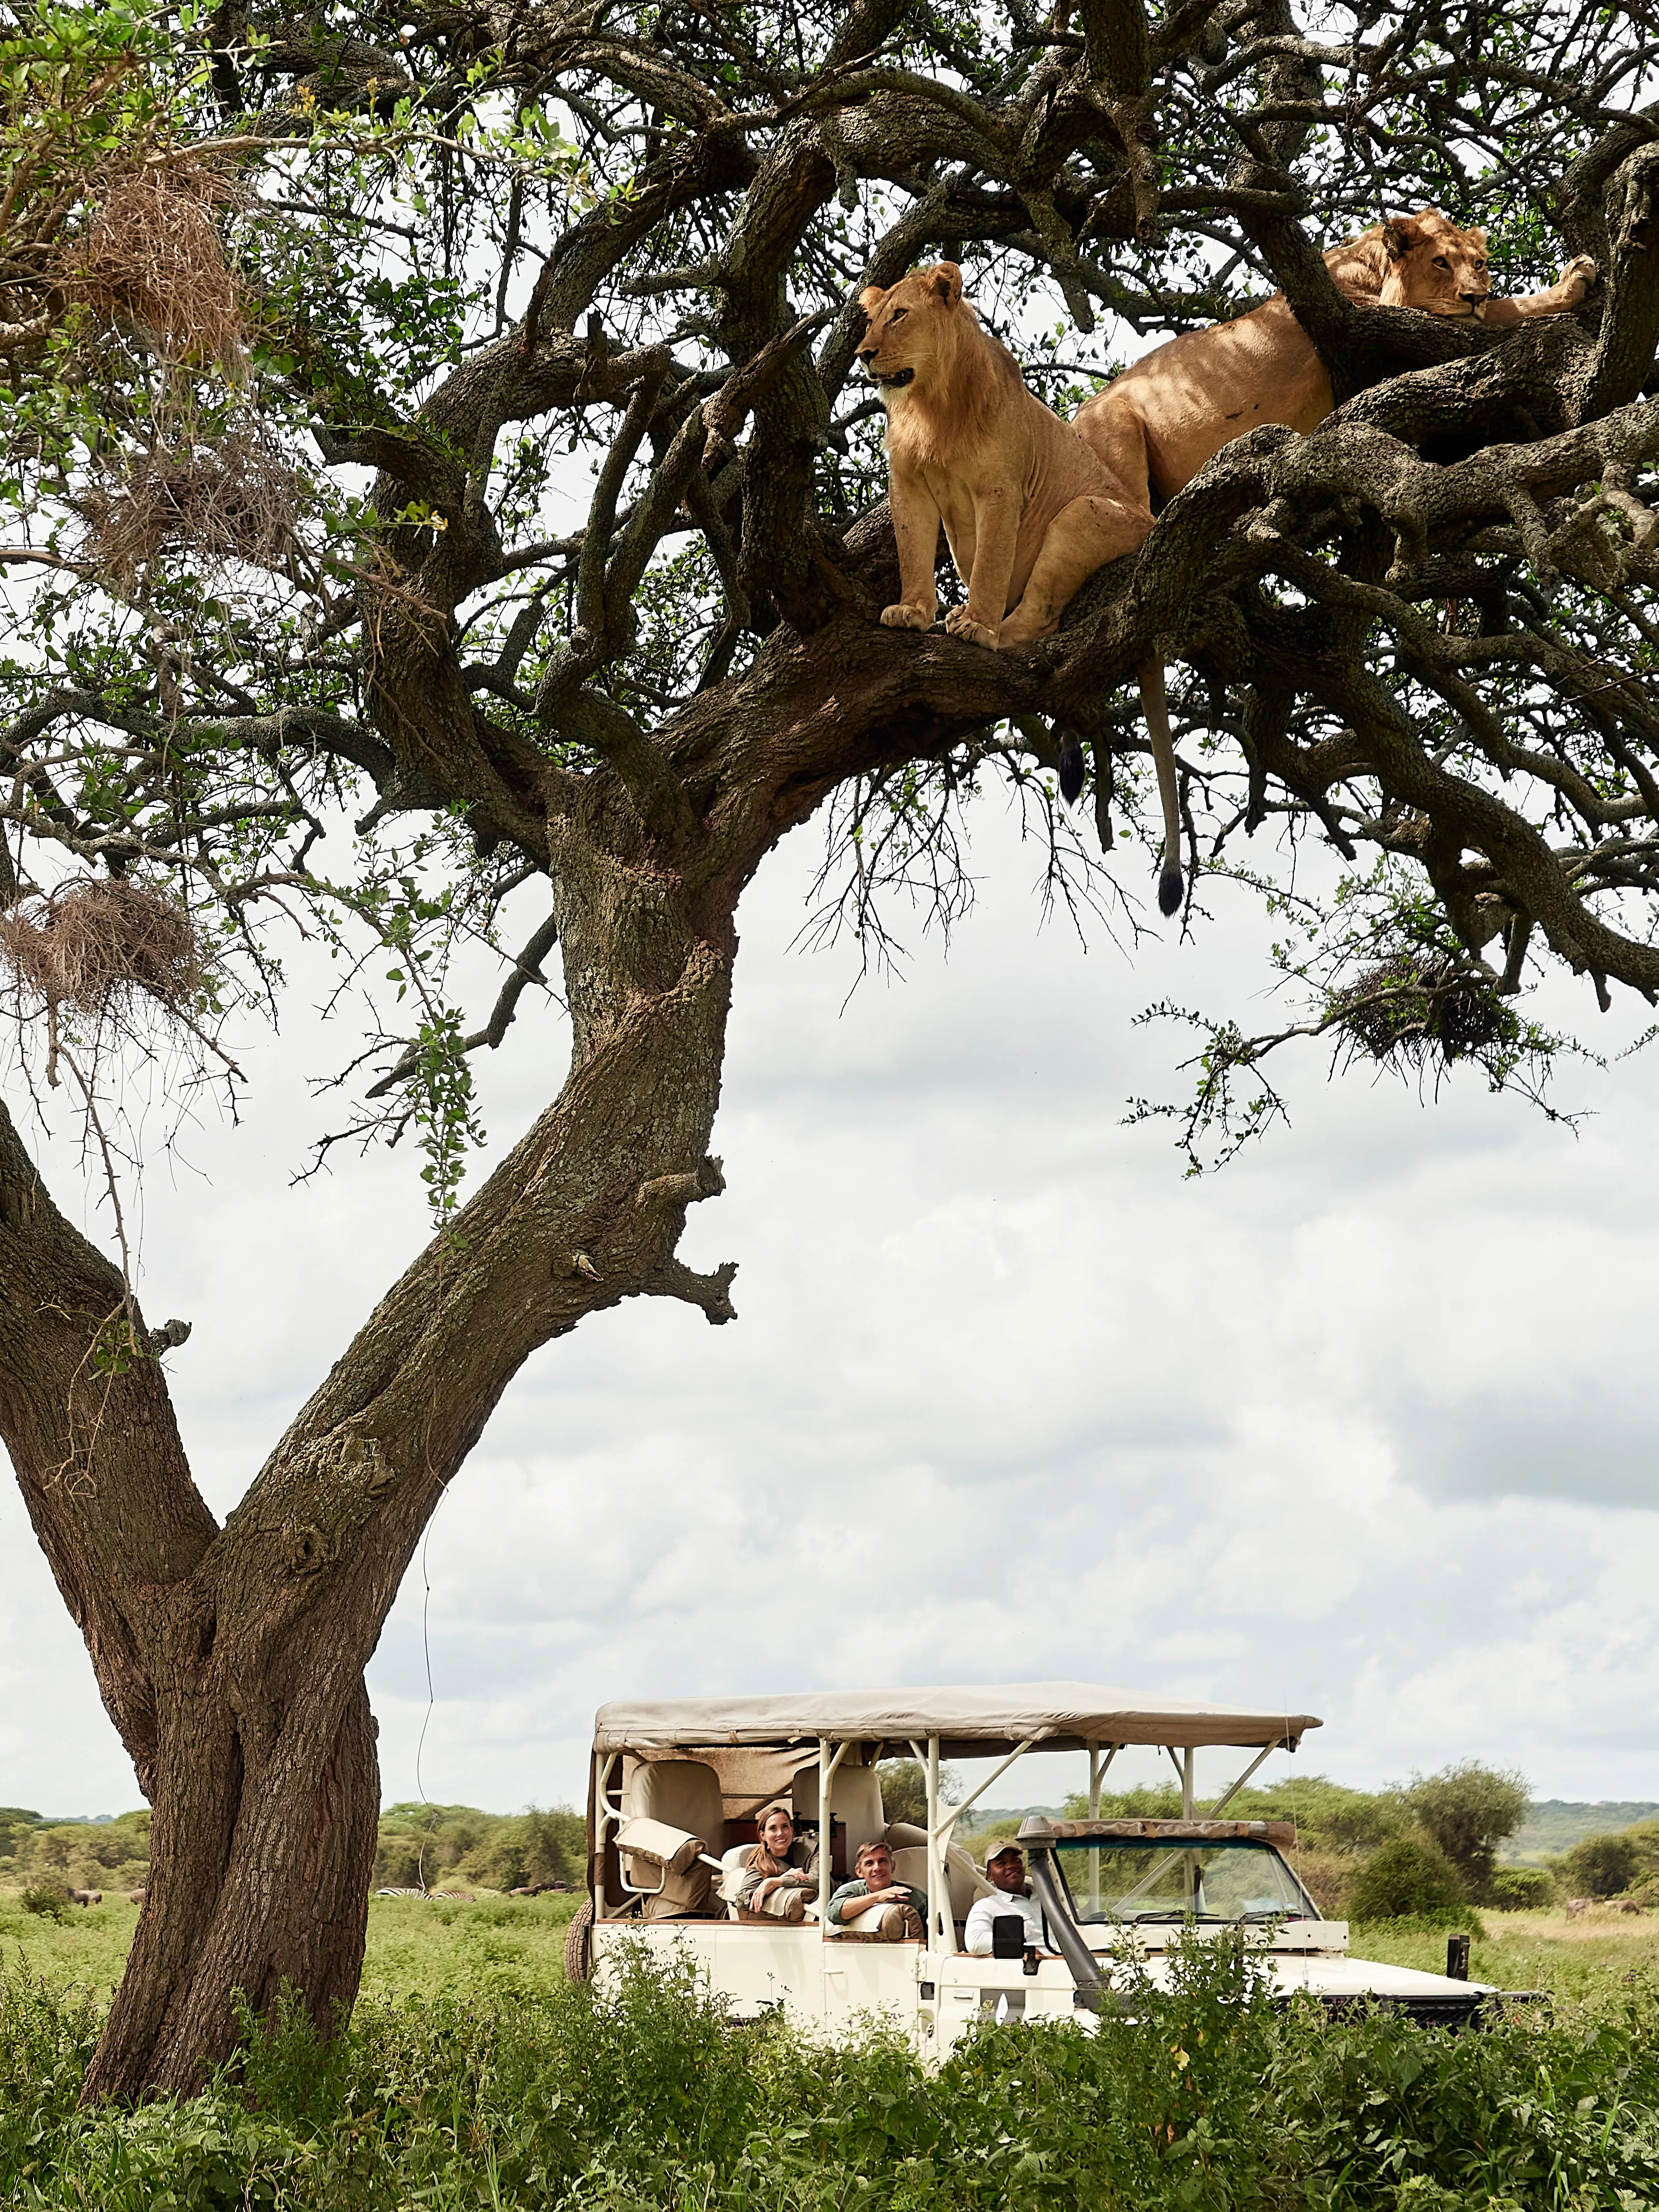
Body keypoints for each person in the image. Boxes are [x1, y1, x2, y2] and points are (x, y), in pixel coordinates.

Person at [964, 1843, 1060, 1956]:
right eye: (1001, 1863)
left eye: (1016, 1860)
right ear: (990, 1875)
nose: (1011, 1866)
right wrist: (1025, 1950)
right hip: (1035, 1969)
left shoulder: (1049, 1898)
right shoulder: (987, 1906)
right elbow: (976, 1942)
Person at [826, 1839, 927, 1941]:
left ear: (893, 1866)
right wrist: (878, 1896)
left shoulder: (916, 1897)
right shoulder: (852, 1890)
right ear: (859, 1871)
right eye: (869, 1863)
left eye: (882, 1861)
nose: (877, 1868)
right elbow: (835, 1914)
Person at [734, 1803, 819, 1921]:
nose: (780, 1833)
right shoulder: (760, 1863)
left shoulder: (811, 1848)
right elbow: (742, 1900)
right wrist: (774, 1884)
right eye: (773, 1828)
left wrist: (775, 1882)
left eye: (785, 1827)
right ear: (763, 1835)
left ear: (792, 1830)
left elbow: (817, 1880)